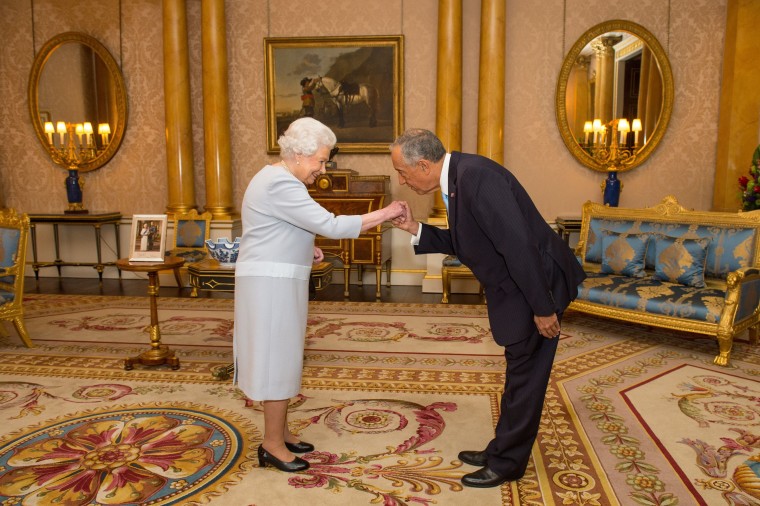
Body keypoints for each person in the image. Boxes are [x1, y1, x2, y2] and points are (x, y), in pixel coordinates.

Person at [389, 129, 587, 488]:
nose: (401, 180)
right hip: (521, 285)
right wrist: (415, 227)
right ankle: (502, 448)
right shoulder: (458, 179)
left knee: (527, 378)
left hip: (538, 285)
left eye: (403, 172)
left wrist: (543, 308)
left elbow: (520, 247)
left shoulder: (477, 179)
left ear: (423, 164)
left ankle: (509, 462)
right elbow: (468, 242)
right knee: (519, 370)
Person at [234, 117, 406, 473]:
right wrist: (386, 213)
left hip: (277, 281)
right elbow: (329, 223)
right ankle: (271, 445)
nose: (323, 169)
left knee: (282, 356)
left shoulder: (279, 178)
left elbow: (284, 225)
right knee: (276, 360)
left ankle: (280, 433)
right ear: (298, 154)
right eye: (321, 160)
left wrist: (305, 245)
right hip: (271, 285)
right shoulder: (281, 184)